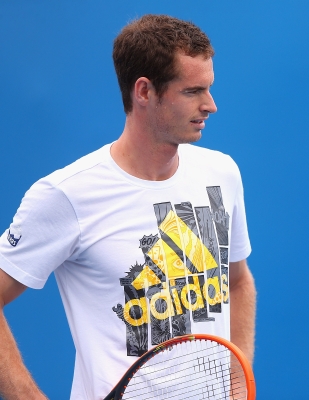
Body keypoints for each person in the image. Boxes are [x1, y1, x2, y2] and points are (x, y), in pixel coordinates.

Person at [0, 14, 256, 399]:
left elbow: (238, 281)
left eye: (209, 89)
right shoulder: (66, 194)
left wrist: (239, 380)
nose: (211, 105)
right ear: (144, 91)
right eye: (192, 92)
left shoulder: (222, 173)